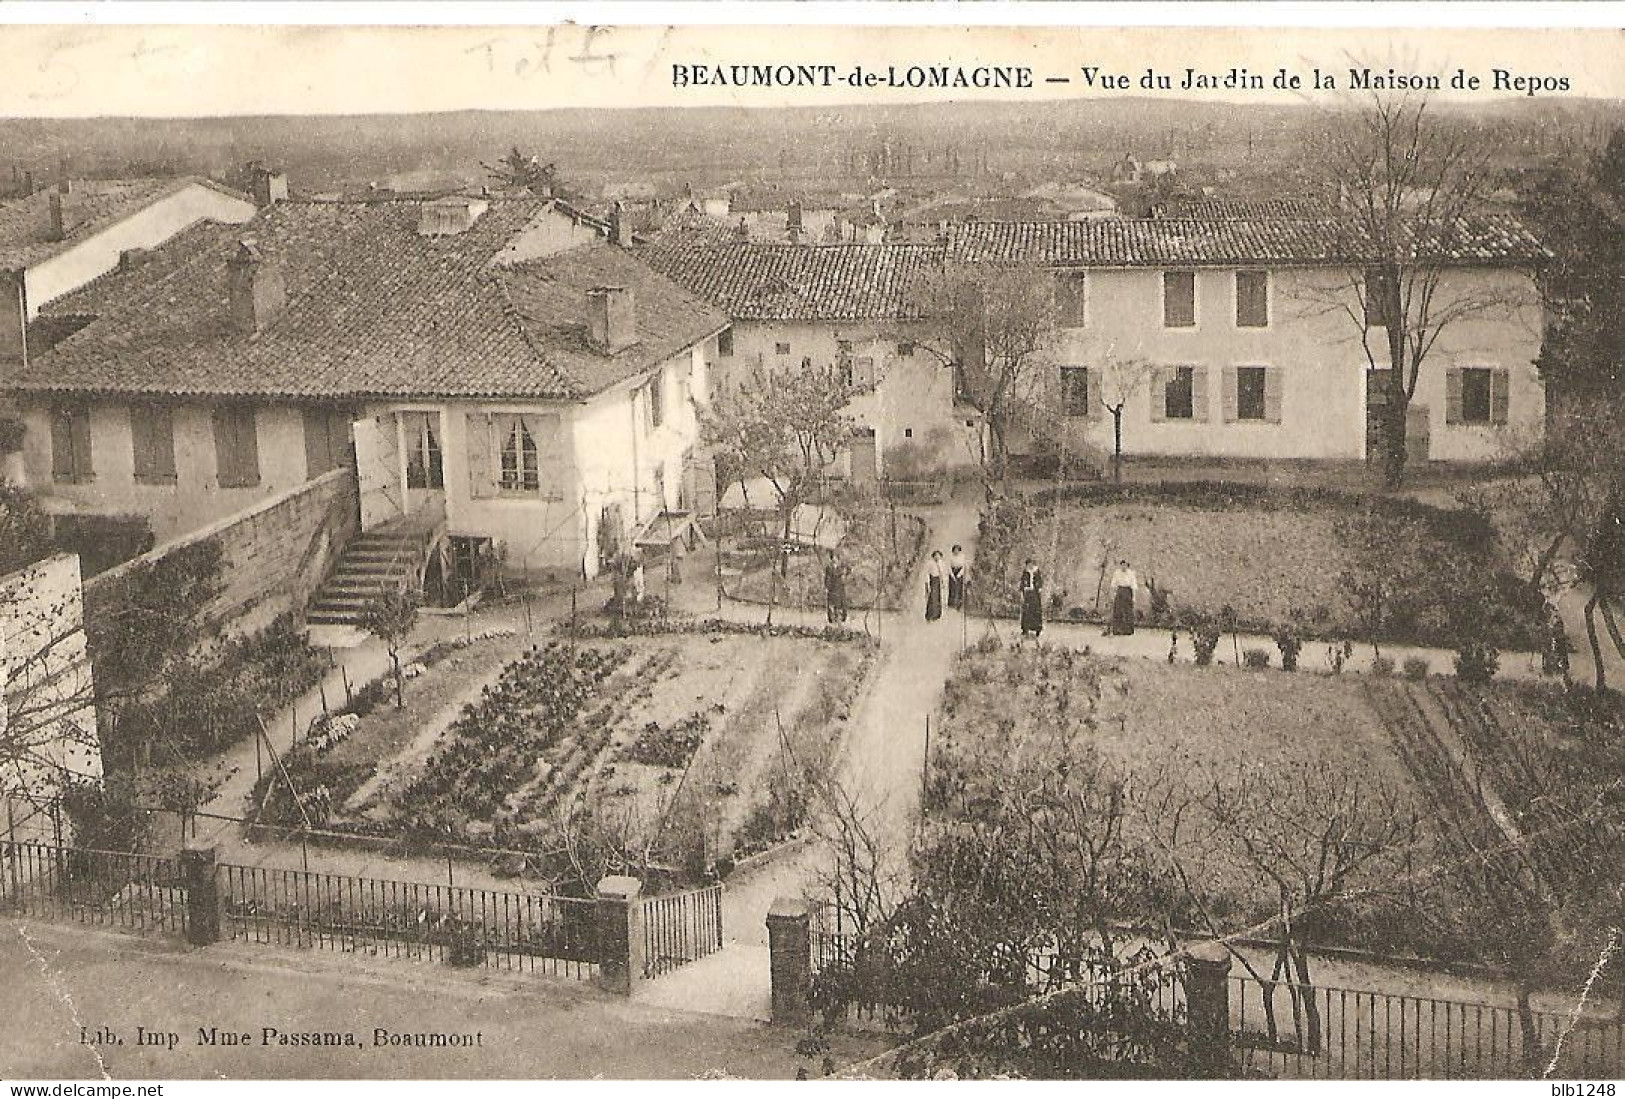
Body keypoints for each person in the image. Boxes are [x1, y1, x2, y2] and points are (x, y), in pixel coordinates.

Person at [1108, 558, 1139, 636]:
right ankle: (1117, 630)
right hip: (1120, 591)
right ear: (1120, 565)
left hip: (1128, 592)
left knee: (1128, 611)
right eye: (1122, 565)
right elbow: (1113, 585)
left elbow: (1134, 586)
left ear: (1127, 565)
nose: (1123, 567)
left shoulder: (1131, 573)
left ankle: (1128, 630)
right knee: (1118, 611)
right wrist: (1113, 594)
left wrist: (1134, 597)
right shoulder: (1117, 573)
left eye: (1125, 565)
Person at [1018, 558, 1044, 639]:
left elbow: (1039, 582)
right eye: (1028, 564)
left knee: (1036, 610)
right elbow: (1022, 583)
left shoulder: (1037, 572)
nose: (1030, 566)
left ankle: (1037, 628)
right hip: (1027, 594)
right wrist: (1023, 590)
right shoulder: (1025, 573)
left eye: (1031, 564)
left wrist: (1039, 588)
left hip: (1035, 594)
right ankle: (1025, 628)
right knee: (1026, 611)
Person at [824, 551, 849, 624]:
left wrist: (844, 574)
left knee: (842, 604)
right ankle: (832, 619)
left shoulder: (842, 567)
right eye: (832, 558)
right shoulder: (829, 568)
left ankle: (841, 618)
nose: (834, 560)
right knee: (832, 604)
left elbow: (848, 570)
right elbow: (827, 578)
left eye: (835, 558)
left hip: (840, 588)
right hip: (832, 588)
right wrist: (827, 587)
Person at [924, 550, 946, 621]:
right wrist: (927, 584)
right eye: (935, 555)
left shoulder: (941, 563)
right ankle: (930, 615)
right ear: (933, 556)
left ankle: (937, 615)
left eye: (938, 556)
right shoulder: (930, 563)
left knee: (938, 597)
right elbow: (927, 574)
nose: (937, 557)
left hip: (938, 580)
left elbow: (942, 574)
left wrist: (943, 582)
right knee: (932, 598)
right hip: (932, 580)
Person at [947, 545, 968, 610]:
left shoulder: (962, 557)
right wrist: (952, 575)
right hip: (952, 572)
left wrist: (959, 574)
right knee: (952, 587)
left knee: (959, 588)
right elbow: (948, 567)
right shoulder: (950, 557)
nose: (956, 552)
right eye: (955, 550)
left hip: (959, 573)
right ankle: (951, 603)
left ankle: (959, 603)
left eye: (957, 550)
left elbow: (964, 567)